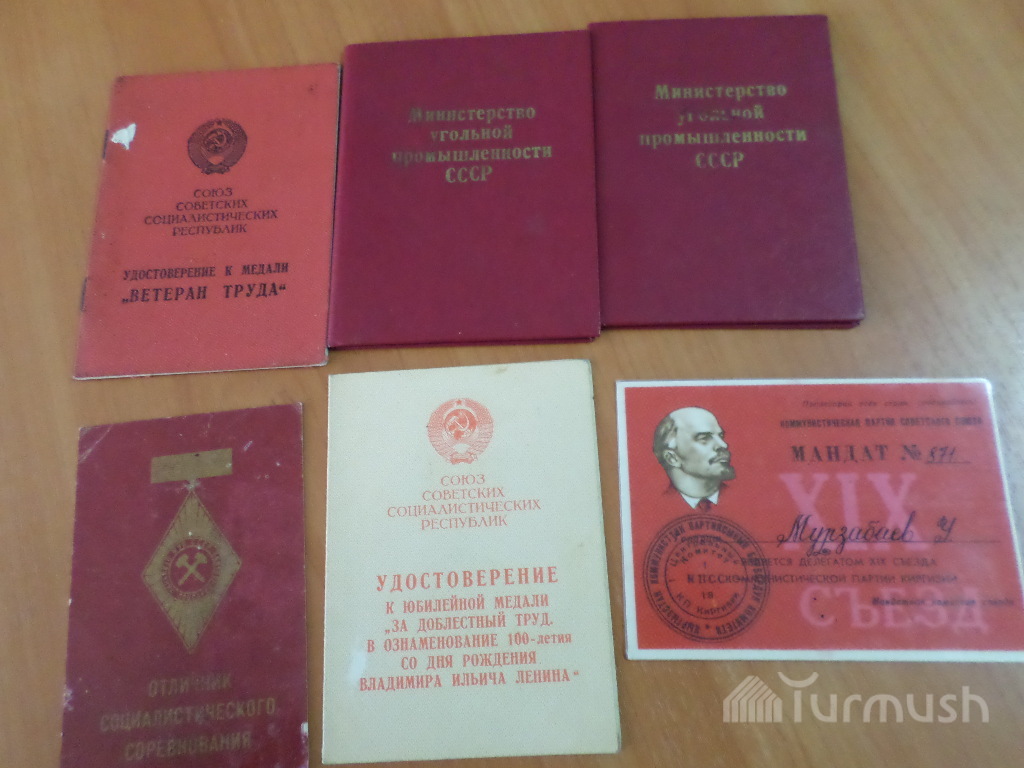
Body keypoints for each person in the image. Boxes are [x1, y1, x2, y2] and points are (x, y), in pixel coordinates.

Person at [652, 407, 735, 510]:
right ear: (672, 458)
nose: (723, 445)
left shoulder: (744, 500)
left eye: (721, 436)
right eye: (704, 438)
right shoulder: (654, 507)